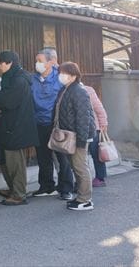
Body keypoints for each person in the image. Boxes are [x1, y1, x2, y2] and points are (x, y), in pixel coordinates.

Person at [0, 50, 38, 205]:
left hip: (16, 126)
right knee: (7, 160)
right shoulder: (12, 77)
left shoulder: (19, 80)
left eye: (1, 63)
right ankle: (13, 188)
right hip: (10, 125)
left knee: (15, 162)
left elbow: (9, 101)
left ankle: (19, 194)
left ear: (9, 62)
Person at [30, 47, 75, 200]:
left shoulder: (60, 78)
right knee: (43, 157)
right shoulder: (33, 79)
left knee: (62, 157)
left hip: (56, 123)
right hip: (39, 123)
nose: (37, 64)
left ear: (50, 62)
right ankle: (46, 186)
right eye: (36, 61)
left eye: (40, 61)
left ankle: (66, 188)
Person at [52, 62, 96, 211]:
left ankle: (85, 200)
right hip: (70, 136)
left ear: (73, 75)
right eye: (60, 73)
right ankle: (81, 197)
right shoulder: (66, 89)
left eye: (64, 73)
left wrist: (82, 141)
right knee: (76, 167)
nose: (61, 76)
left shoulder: (78, 91)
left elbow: (84, 118)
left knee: (80, 167)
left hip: (78, 137)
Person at [84, 82, 110, 187]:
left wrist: (103, 124)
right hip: (81, 129)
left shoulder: (88, 90)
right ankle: (85, 179)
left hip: (94, 128)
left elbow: (99, 109)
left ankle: (100, 177)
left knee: (97, 154)